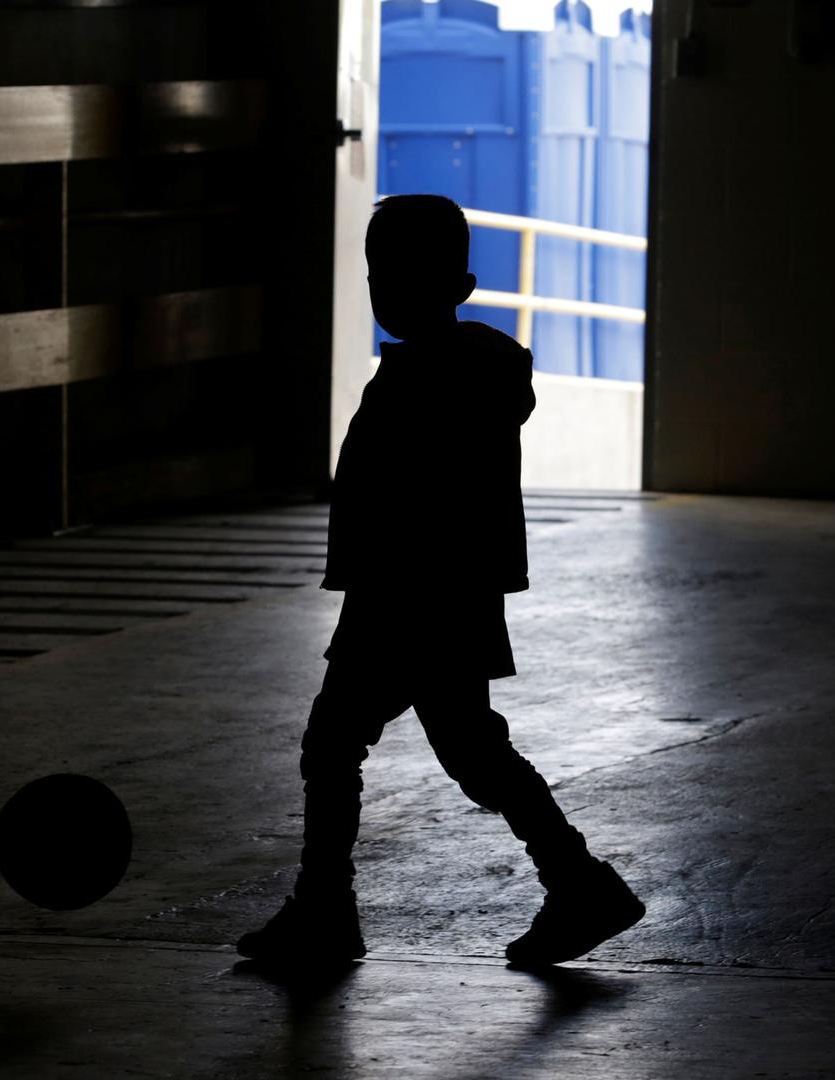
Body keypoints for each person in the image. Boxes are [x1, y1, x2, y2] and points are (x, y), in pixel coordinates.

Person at [237, 194, 644, 969]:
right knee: (471, 751)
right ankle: (578, 882)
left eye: (395, 274)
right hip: (448, 598)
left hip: (405, 598)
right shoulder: (475, 370)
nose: (382, 289)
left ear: (455, 285)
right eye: (376, 274)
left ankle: (326, 909)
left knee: (339, 745)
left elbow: (406, 500)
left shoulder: (425, 380)